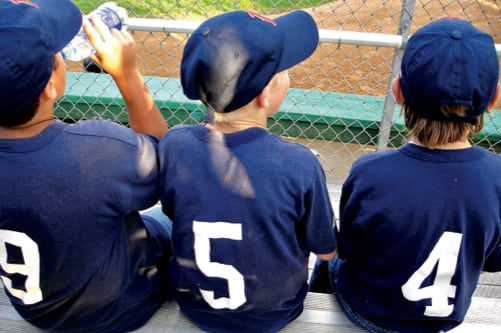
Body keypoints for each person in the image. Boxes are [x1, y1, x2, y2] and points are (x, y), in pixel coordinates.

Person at [309, 17, 501, 333]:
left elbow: (353, 249)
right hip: (444, 319)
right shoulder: (496, 177)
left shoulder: (370, 171)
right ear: (493, 99)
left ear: (398, 92)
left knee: (329, 256)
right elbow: (492, 260)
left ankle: (316, 301)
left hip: (367, 313)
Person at [158, 10, 337, 333]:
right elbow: (326, 249)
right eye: (283, 70)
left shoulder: (174, 146)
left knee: (157, 222)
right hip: (274, 316)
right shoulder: (298, 163)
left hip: (196, 308)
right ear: (264, 94)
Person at [0, 1, 172, 332]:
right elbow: (167, 164)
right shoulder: (99, 149)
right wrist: (128, 75)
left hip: (37, 310)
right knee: (171, 217)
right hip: (123, 308)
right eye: (57, 57)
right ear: (50, 85)